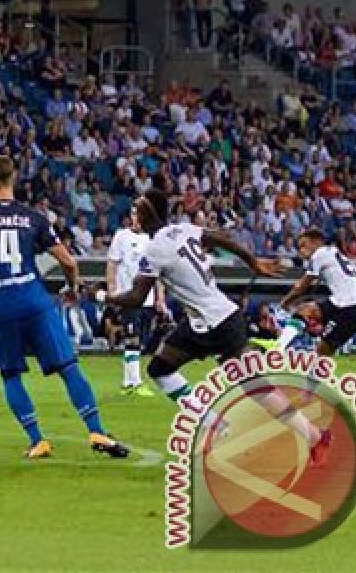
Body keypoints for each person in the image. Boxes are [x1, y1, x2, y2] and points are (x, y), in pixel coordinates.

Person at [106, 189, 331, 464]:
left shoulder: (154, 250)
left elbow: (136, 297)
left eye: (137, 208)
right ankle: (214, 425)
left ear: (147, 213)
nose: (133, 215)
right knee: (160, 368)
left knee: (255, 386)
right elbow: (224, 239)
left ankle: (314, 436)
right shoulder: (183, 229)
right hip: (206, 320)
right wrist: (253, 263)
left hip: (219, 323)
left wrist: (100, 295)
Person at [0, 155, 129, 460]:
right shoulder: (33, 217)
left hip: (2, 307)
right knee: (69, 368)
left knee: (11, 375)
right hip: (35, 303)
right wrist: (72, 289)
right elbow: (69, 261)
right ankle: (97, 430)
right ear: (13, 180)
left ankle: (38, 440)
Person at [277, 227, 356, 357]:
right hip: (350, 307)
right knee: (306, 312)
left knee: (321, 351)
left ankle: (279, 348)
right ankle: (279, 347)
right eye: (299, 248)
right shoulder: (337, 256)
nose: (301, 251)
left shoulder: (320, 254)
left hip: (348, 308)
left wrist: (284, 302)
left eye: (303, 245)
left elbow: (302, 286)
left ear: (316, 242)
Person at [106, 213, 167, 397]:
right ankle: (136, 382)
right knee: (132, 337)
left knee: (140, 340)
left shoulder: (152, 240)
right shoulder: (121, 236)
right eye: (133, 214)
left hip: (148, 299)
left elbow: (158, 272)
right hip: (129, 297)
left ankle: (128, 382)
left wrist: (160, 297)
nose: (136, 218)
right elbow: (112, 264)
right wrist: (112, 289)